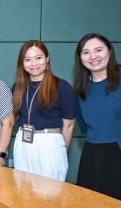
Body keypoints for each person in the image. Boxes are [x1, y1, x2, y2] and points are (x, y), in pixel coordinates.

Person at [74, 33, 121, 208]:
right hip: (94, 159)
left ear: (109, 52)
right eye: (86, 52)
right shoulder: (81, 88)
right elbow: (84, 126)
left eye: (98, 50)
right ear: (80, 58)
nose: (93, 56)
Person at [11, 40, 76, 181]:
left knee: (49, 194)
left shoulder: (62, 86)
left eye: (38, 58)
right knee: (22, 192)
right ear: (22, 63)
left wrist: (60, 152)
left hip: (49, 144)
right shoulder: (18, 87)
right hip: (22, 142)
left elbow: (69, 125)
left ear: (47, 59)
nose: (33, 64)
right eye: (27, 59)